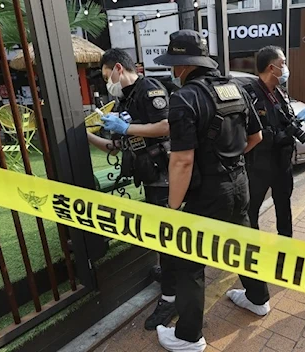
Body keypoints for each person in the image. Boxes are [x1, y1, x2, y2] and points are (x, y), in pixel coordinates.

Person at [153, 30, 269, 352]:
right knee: (244, 245)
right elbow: (256, 137)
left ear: (183, 64)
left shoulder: (185, 97)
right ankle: (258, 299)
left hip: (207, 194)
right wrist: (230, 163)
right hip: (240, 184)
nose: (173, 71)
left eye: (175, 64)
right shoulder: (237, 89)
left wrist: (174, 209)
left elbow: (182, 162)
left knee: (190, 263)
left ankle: (189, 337)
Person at [89, 48, 177, 331]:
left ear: (117, 68)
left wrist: (127, 130)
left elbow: (167, 126)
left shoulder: (149, 89)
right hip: (150, 178)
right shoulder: (124, 100)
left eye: (106, 76)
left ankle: (171, 297)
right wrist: (86, 136)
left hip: (165, 176)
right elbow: (117, 145)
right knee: (162, 236)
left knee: (167, 237)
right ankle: (170, 276)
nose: (107, 83)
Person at [237, 46, 305, 238]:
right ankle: (252, 250)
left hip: (282, 162)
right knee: (252, 209)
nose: (286, 67)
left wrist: (294, 123)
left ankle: (284, 249)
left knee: (284, 206)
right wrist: (276, 134)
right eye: (283, 63)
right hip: (259, 165)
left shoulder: (280, 93)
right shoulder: (249, 94)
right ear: (272, 68)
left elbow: (285, 120)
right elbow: (247, 133)